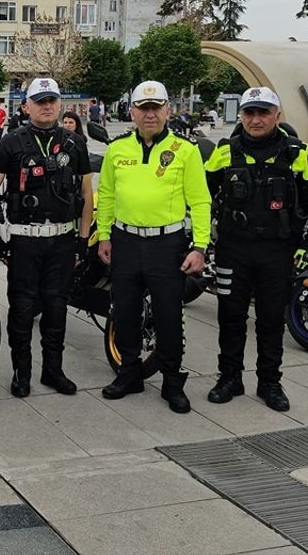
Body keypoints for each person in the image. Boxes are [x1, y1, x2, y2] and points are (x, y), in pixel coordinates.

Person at [203, 88, 308, 412]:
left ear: (277, 115)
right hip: (232, 250)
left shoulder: (298, 154)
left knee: (271, 320)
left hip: (277, 253)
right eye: (250, 113)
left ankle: (270, 382)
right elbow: (203, 198)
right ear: (240, 115)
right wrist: (207, 241)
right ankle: (229, 378)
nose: (256, 119)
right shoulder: (225, 151)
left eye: (264, 112)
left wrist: (304, 249)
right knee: (230, 317)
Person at [96, 80, 211, 414]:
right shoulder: (117, 150)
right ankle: (130, 373)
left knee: (168, 316)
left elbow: (201, 202)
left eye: (156, 107)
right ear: (132, 111)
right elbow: (106, 196)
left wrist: (199, 246)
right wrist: (104, 235)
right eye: (143, 108)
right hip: (125, 241)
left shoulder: (184, 150)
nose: (149, 114)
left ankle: (172, 382)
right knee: (126, 312)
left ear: (167, 111)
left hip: (167, 244)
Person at [0, 78, 93, 398]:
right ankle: (22, 373)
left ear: (60, 104)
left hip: (62, 240)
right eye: (40, 101)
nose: (47, 106)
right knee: (22, 309)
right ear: (27, 105)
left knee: (57, 308)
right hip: (24, 240)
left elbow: (86, 193)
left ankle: (53, 371)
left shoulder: (74, 142)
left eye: (52, 101)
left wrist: (83, 239)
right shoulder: (11, 142)